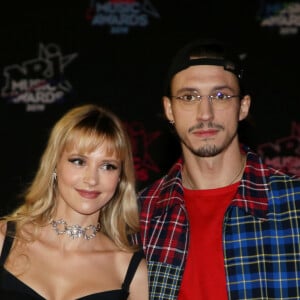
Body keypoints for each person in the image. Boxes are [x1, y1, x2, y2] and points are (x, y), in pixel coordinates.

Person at [138, 38, 300, 299]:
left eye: (220, 96)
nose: (205, 113)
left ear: (243, 106)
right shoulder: (140, 216)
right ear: (169, 109)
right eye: (189, 97)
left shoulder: (294, 205)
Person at [0, 104, 148, 300]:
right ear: (54, 164)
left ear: (120, 177)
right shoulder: (3, 240)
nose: (92, 179)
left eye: (107, 166)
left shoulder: (131, 272)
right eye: (79, 161)